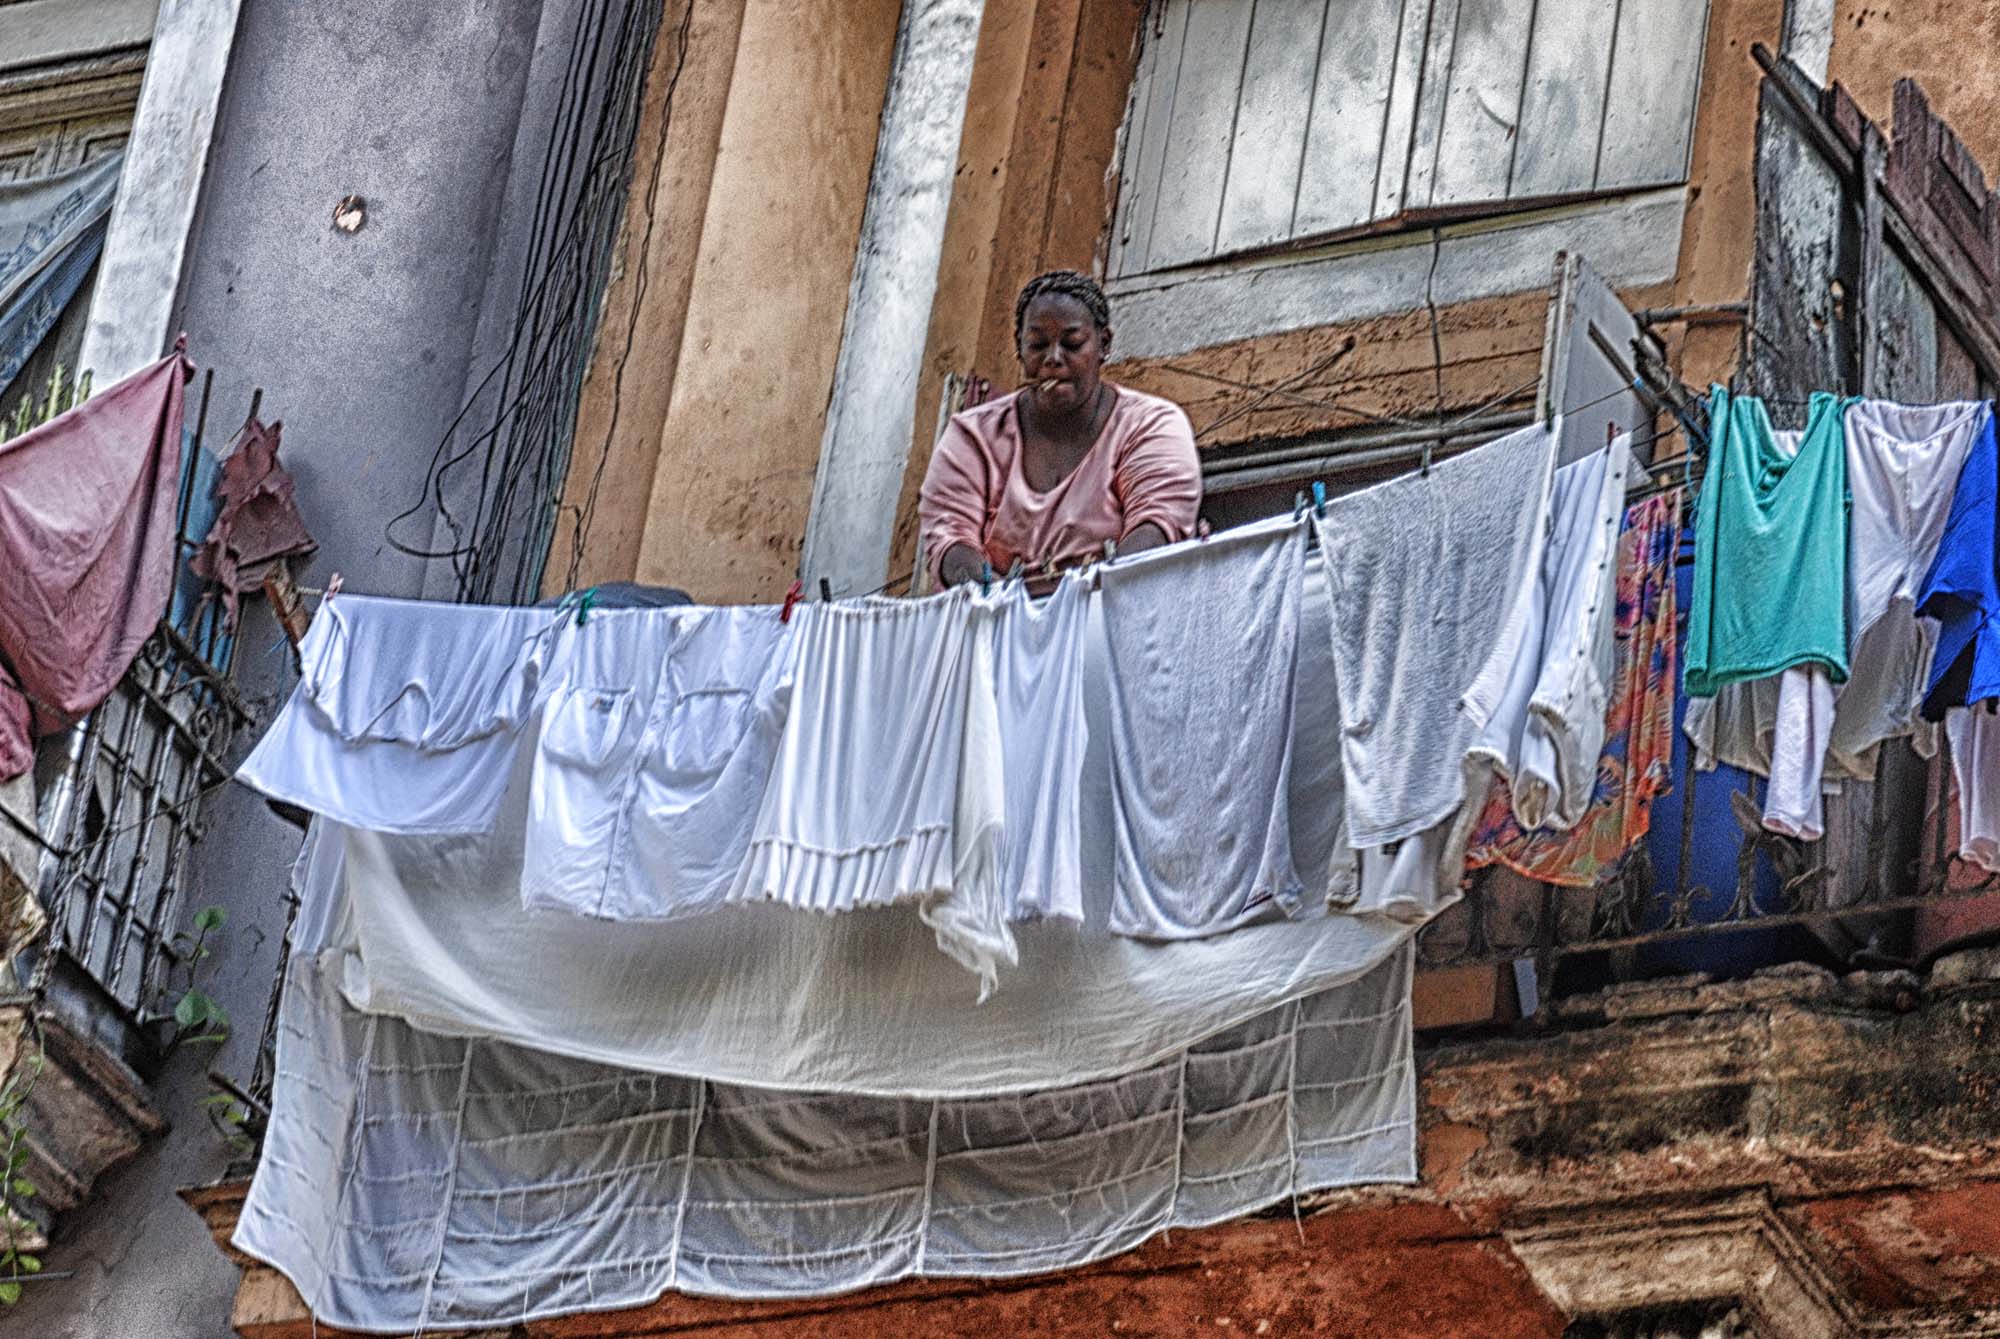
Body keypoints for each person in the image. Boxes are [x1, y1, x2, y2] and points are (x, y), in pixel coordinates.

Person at [918, 270, 1201, 589]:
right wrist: (1005, 606)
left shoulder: (1151, 425)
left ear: (1104, 344)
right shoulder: (972, 437)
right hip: (997, 631)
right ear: (1019, 348)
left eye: (1072, 344)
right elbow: (949, 540)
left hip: (1109, 624)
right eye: (1038, 345)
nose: (1053, 359)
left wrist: (1074, 605)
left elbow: (1158, 528)